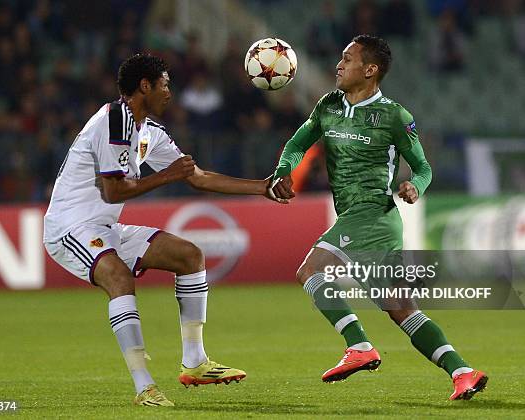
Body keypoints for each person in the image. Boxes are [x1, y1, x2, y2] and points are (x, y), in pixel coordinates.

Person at [43, 54, 287, 407]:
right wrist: (166, 176)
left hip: (104, 227)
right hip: (69, 227)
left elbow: (197, 177)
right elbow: (114, 190)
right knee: (118, 277)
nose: (170, 92)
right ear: (145, 86)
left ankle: (195, 362)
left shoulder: (150, 132)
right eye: (165, 84)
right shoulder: (114, 118)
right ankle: (144, 387)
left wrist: (261, 187)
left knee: (189, 256)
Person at [269, 35, 488, 401]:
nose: (339, 65)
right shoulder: (328, 106)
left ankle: (358, 345)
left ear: (370, 70)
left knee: (310, 270)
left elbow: (422, 167)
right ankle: (463, 371)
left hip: (373, 215)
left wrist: (415, 187)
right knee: (401, 309)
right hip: (360, 219)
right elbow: (296, 145)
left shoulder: (394, 116)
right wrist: (283, 170)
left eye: (347, 59)